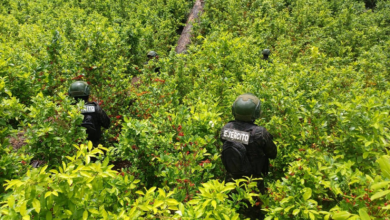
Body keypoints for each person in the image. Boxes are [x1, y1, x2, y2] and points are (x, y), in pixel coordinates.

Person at [220, 93, 277, 220]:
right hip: (253, 182)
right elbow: (273, 154)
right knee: (256, 213)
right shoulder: (259, 133)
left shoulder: (226, 129)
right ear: (256, 113)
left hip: (231, 180)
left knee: (231, 211)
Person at [68, 81, 110, 147]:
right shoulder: (95, 108)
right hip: (94, 149)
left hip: (73, 149)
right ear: (87, 93)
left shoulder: (68, 110)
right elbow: (107, 124)